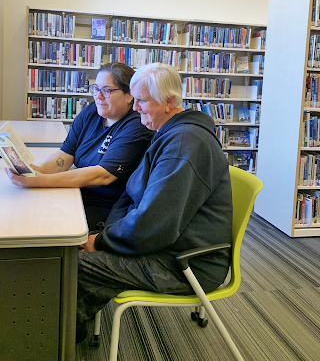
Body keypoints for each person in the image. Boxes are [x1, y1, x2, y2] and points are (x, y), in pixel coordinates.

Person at [76, 63, 233, 341]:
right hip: (165, 244)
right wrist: (106, 232)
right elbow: (136, 197)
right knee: (76, 249)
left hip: (185, 263)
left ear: (169, 101)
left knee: (74, 266)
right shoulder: (169, 132)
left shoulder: (184, 144)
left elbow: (153, 222)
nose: (135, 108)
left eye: (142, 101)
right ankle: (72, 325)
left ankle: (60, 338)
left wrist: (100, 241)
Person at [5, 63, 155, 230]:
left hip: (107, 208)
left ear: (129, 95)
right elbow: (65, 155)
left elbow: (102, 175)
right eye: (96, 89)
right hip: (77, 195)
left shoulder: (136, 127)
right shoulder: (92, 112)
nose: (98, 96)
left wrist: (41, 180)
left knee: (46, 227)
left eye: (107, 90)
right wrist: (35, 171)